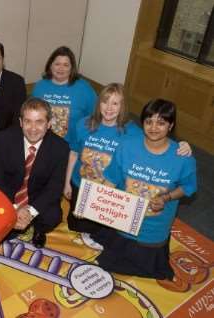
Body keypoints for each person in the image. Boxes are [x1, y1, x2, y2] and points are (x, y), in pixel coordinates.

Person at [64, 84, 194, 238]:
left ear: (123, 106)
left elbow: (156, 140)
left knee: (106, 233)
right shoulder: (83, 124)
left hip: (113, 195)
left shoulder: (134, 133)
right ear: (98, 103)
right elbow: (73, 153)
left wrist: (182, 145)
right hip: (82, 185)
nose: (109, 108)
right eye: (105, 102)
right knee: (77, 226)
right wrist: (66, 182)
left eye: (115, 103)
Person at [93, 99, 197, 280]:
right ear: (142, 123)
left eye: (161, 123)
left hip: (153, 229)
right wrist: (95, 203)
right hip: (123, 222)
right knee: (110, 261)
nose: (154, 127)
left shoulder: (183, 158)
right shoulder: (127, 146)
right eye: (149, 121)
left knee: (149, 268)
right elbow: (111, 179)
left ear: (171, 125)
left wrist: (166, 198)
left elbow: (188, 187)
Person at [0, 97, 70, 248]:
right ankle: (12, 221)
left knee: (52, 216)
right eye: (28, 121)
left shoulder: (61, 148)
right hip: (10, 195)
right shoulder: (3, 139)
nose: (33, 128)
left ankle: (38, 229)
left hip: (37, 196)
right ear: (20, 122)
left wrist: (30, 212)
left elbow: (55, 187)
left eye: (39, 122)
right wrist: (14, 208)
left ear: (49, 124)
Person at [32, 46, 97, 147]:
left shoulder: (84, 89)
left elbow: (96, 116)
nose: (61, 68)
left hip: (71, 146)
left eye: (66, 65)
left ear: (72, 68)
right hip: (41, 143)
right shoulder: (40, 86)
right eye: (57, 64)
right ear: (50, 65)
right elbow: (31, 114)